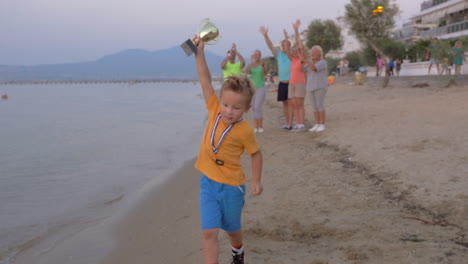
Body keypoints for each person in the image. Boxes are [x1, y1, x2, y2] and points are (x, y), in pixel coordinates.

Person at [193, 35, 264, 264]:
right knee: (209, 232)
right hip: (208, 184)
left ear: (247, 108)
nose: (229, 111)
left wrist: (256, 180)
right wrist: (199, 53)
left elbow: (256, 154)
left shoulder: (245, 130)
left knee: (232, 230)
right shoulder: (214, 109)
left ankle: (238, 250)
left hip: (232, 187)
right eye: (226, 104)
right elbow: (205, 80)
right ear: (220, 100)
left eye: (236, 107)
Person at [259, 25, 293, 130]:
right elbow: (270, 46)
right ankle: (288, 124)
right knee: (285, 104)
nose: (284, 47)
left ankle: (291, 124)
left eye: (285, 45)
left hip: (291, 82)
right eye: (282, 45)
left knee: (291, 103)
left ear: (289, 46)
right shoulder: (279, 54)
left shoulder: (292, 55)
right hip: (282, 82)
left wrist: (286, 38)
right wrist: (265, 36)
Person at [284, 19, 307, 131]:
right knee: (294, 104)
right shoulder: (293, 59)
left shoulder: (302, 59)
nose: (295, 51)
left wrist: (296, 31)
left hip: (300, 83)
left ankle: (301, 124)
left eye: (297, 50)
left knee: (299, 104)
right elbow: (287, 50)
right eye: (294, 50)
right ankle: (298, 124)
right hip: (292, 83)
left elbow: (300, 45)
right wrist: (286, 37)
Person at [300, 45, 328, 132]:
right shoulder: (310, 62)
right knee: (314, 107)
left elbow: (314, 68)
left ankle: (322, 124)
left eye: (316, 52)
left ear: (320, 53)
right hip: (310, 86)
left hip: (320, 86)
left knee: (320, 105)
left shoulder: (323, 62)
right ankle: (317, 124)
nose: (314, 53)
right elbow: (302, 70)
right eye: (313, 52)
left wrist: (306, 61)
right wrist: (301, 62)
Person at [245, 50, 267, 133]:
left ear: (260, 56)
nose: (256, 56)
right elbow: (246, 72)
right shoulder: (251, 65)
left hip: (260, 87)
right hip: (252, 88)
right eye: (255, 54)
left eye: (258, 54)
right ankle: (256, 126)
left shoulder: (263, 64)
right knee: (254, 108)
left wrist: (263, 66)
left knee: (258, 107)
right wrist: (251, 63)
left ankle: (260, 126)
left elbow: (264, 73)